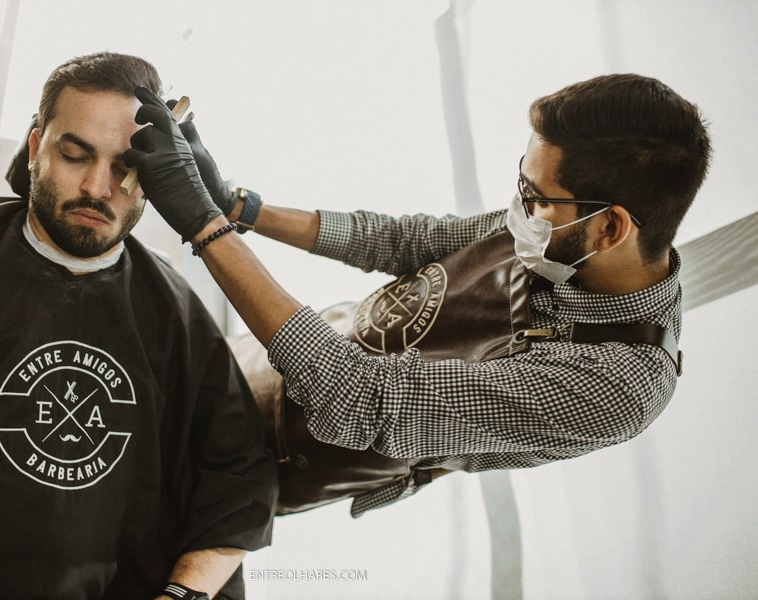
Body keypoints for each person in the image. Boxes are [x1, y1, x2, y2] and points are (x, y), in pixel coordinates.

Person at [123, 74, 710, 511]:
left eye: (534, 197)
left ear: (610, 228)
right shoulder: (554, 229)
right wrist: (237, 206)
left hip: (258, 458)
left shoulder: (615, 386)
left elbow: (357, 397)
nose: (517, 209)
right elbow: (406, 241)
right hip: (258, 360)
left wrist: (206, 229)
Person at [0, 52, 276, 600]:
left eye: (127, 169)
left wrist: (181, 595)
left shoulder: (178, 317)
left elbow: (241, 487)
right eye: (75, 156)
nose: (99, 188)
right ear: (36, 150)